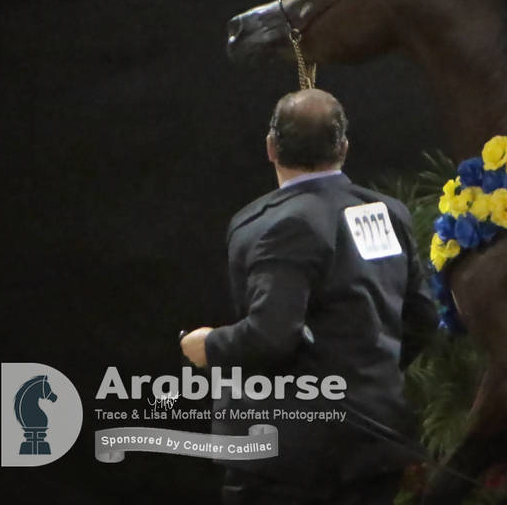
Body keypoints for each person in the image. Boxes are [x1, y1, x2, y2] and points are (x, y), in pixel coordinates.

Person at [181, 88, 438, 504]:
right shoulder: (388, 213)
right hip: (373, 445)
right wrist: (365, 374)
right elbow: (423, 320)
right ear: (344, 147)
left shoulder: (277, 223)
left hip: (288, 455)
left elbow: (271, 337)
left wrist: (209, 345)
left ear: (270, 147)